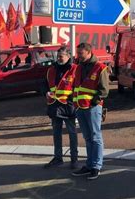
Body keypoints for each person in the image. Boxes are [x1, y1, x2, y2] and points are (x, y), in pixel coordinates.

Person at [71, 42, 109, 180]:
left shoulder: (100, 67)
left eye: (81, 53)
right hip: (80, 107)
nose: (78, 56)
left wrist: (94, 101)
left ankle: (96, 166)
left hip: (93, 107)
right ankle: (89, 164)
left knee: (95, 137)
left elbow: (104, 90)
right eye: (78, 53)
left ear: (88, 52)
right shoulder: (79, 67)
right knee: (88, 138)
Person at [44, 47, 78, 169]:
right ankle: (58, 158)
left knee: (72, 133)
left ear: (68, 56)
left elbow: (78, 87)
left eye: (61, 55)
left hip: (69, 106)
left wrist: (72, 101)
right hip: (54, 106)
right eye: (58, 55)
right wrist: (46, 93)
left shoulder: (75, 69)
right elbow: (45, 85)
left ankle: (74, 159)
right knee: (56, 133)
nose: (59, 58)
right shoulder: (52, 70)